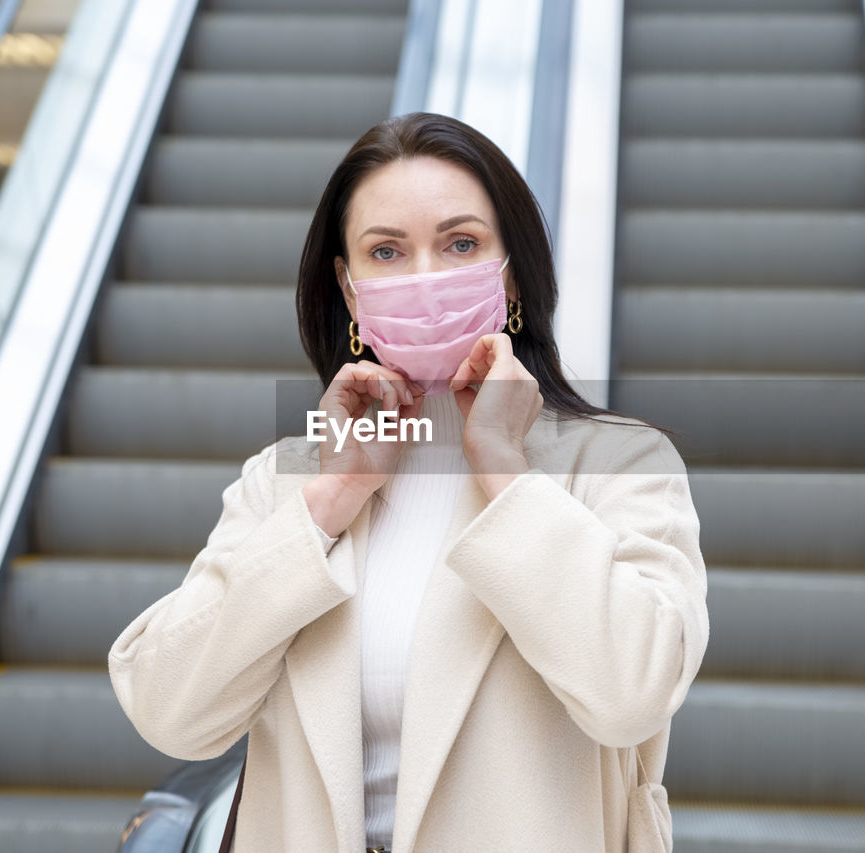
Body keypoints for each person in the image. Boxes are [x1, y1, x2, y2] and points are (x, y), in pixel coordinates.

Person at [108, 112, 708, 852]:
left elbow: (630, 694)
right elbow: (170, 710)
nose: (425, 278)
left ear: (510, 272)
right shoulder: (288, 479)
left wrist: (506, 473)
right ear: (350, 288)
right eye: (386, 251)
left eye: (460, 244)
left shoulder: (618, 466)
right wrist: (329, 500)